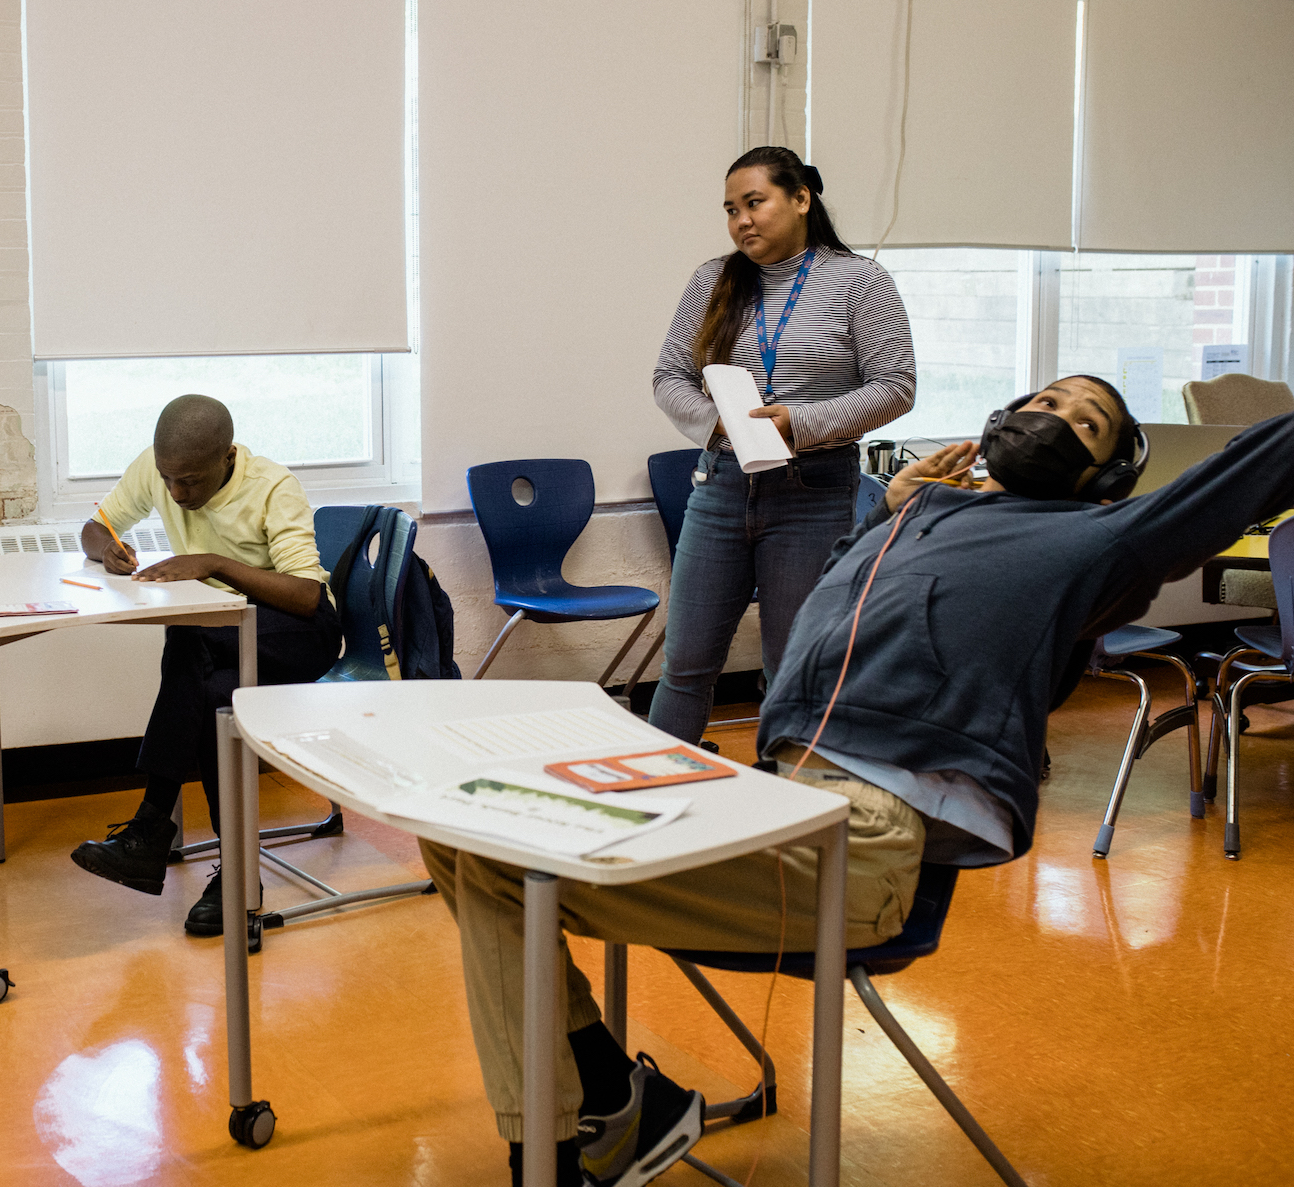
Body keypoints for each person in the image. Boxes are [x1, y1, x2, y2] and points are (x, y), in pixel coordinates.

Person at [424, 375, 1294, 1187]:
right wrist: (889, 508)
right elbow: (839, 603)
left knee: (508, 872)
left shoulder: (1096, 544)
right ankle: (612, 1106)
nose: (1053, 416)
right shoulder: (923, 518)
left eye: (1085, 422)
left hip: (867, 846)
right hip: (771, 793)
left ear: (1106, 477)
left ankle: (567, 1139)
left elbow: (1249, 473)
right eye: (1047, 397)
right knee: (467, 840)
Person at [649, 146, 915, 746]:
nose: (742, 220)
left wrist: (801, 422)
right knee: (685, 664)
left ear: (800, 199)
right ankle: (655, 797)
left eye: (755, 202)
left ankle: (784, 811)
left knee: (791, 671)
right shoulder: (715, 280)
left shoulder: (858, 281)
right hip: (721, 484)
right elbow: (669, 377)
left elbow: (897, 385)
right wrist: (716, 422)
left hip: (812, 492)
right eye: (730, 209)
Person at [69, 394, 341, 937]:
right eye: (167, 478)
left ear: (227, 456)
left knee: (189, 640)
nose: (175, 493)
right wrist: (109, 550)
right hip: (221, 637)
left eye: (189, 481)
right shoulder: (160, 468)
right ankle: (237, 875)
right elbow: (94, 527)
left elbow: (308, 597)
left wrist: (216, 563)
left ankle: (150, 830)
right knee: (214, 699)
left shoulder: (273, 487)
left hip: (296, 631)